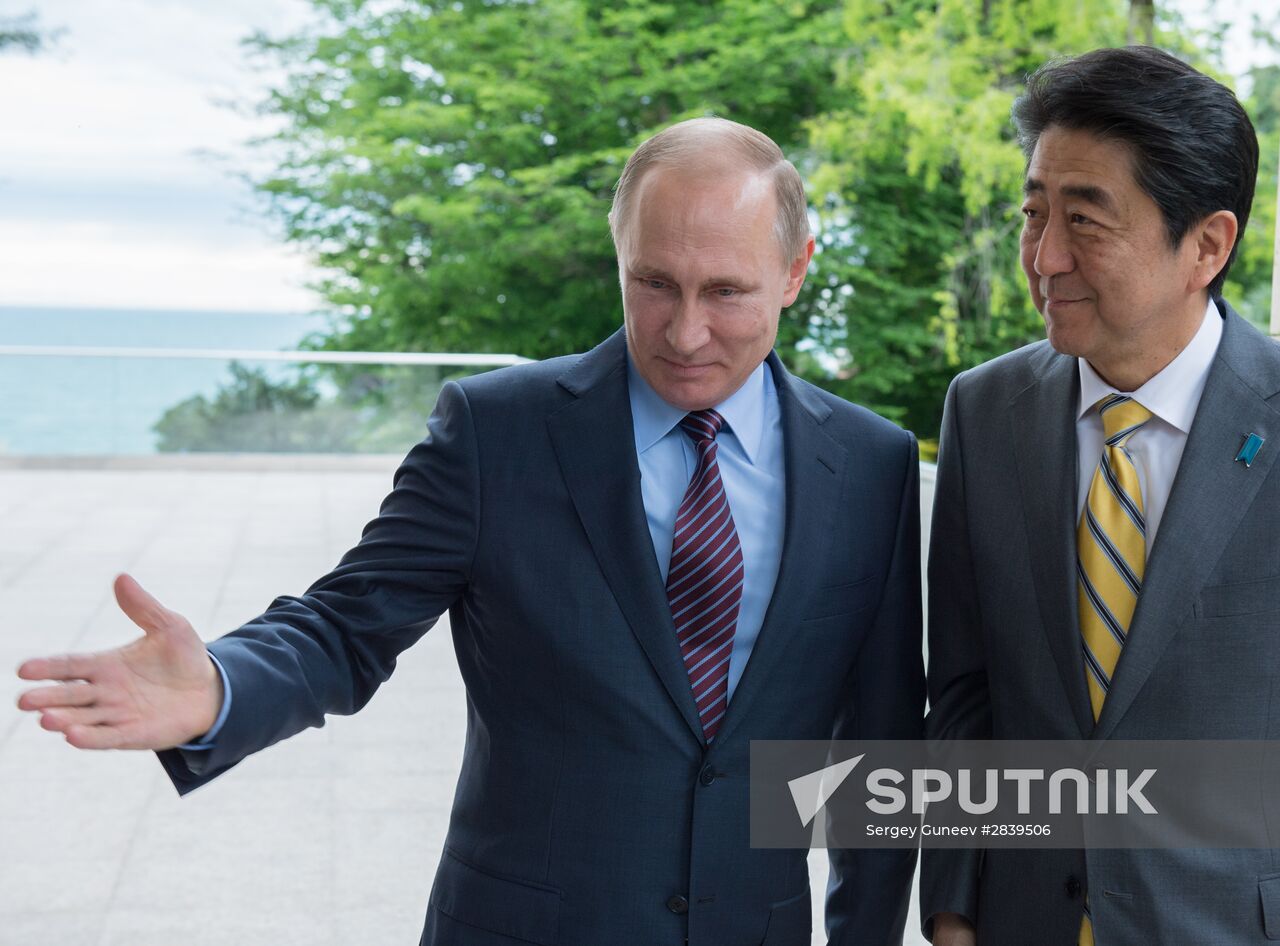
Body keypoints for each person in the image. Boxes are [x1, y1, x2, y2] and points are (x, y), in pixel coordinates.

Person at [16, 118, 924, 946]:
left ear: (798, 269)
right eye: (654, 283)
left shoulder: (872, 466)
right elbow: (344, 625)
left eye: (726, 291)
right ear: (619, 256)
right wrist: (221, 684)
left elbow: (879, 752)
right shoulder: (497, 433)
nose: (685, 331)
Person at [920, 47, 1280, 945]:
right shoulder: (984, 413)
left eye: (1087, 222)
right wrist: (952, 911)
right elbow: (965, 694)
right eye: (1034, 214)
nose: (1045, 257)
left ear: (1207, 246)